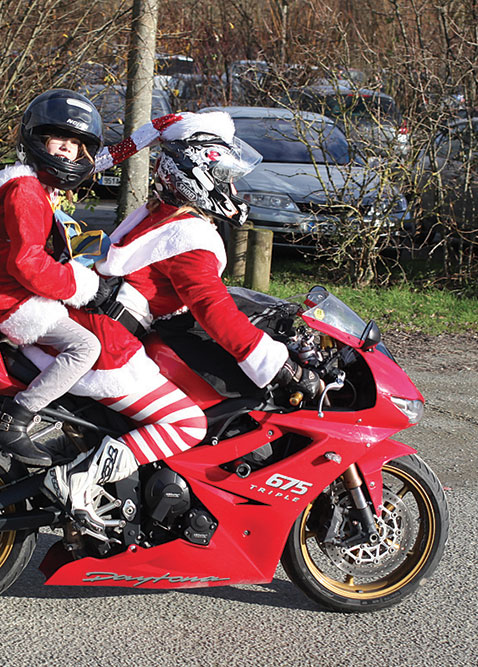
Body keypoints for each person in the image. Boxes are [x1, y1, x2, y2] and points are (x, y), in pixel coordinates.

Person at [30, 111, 323, 537]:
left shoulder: (157, 213)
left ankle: (76, 457)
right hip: (108, 341)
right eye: (222, 174)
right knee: (188, 422)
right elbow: (214, 310)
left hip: (89, 322)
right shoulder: (187, 237)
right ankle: (80, 478)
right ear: (195, 171)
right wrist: (281, 365)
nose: (232, 187)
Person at [0, 89, 110, 466]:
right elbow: (27, 265)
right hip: (5, 295)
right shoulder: (26, 191)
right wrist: (81, 287)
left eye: (75, 144)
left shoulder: (32, 186)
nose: (65, 149)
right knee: (84, 347)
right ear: (38, 141)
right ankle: (15, 417)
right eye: (59, 139)